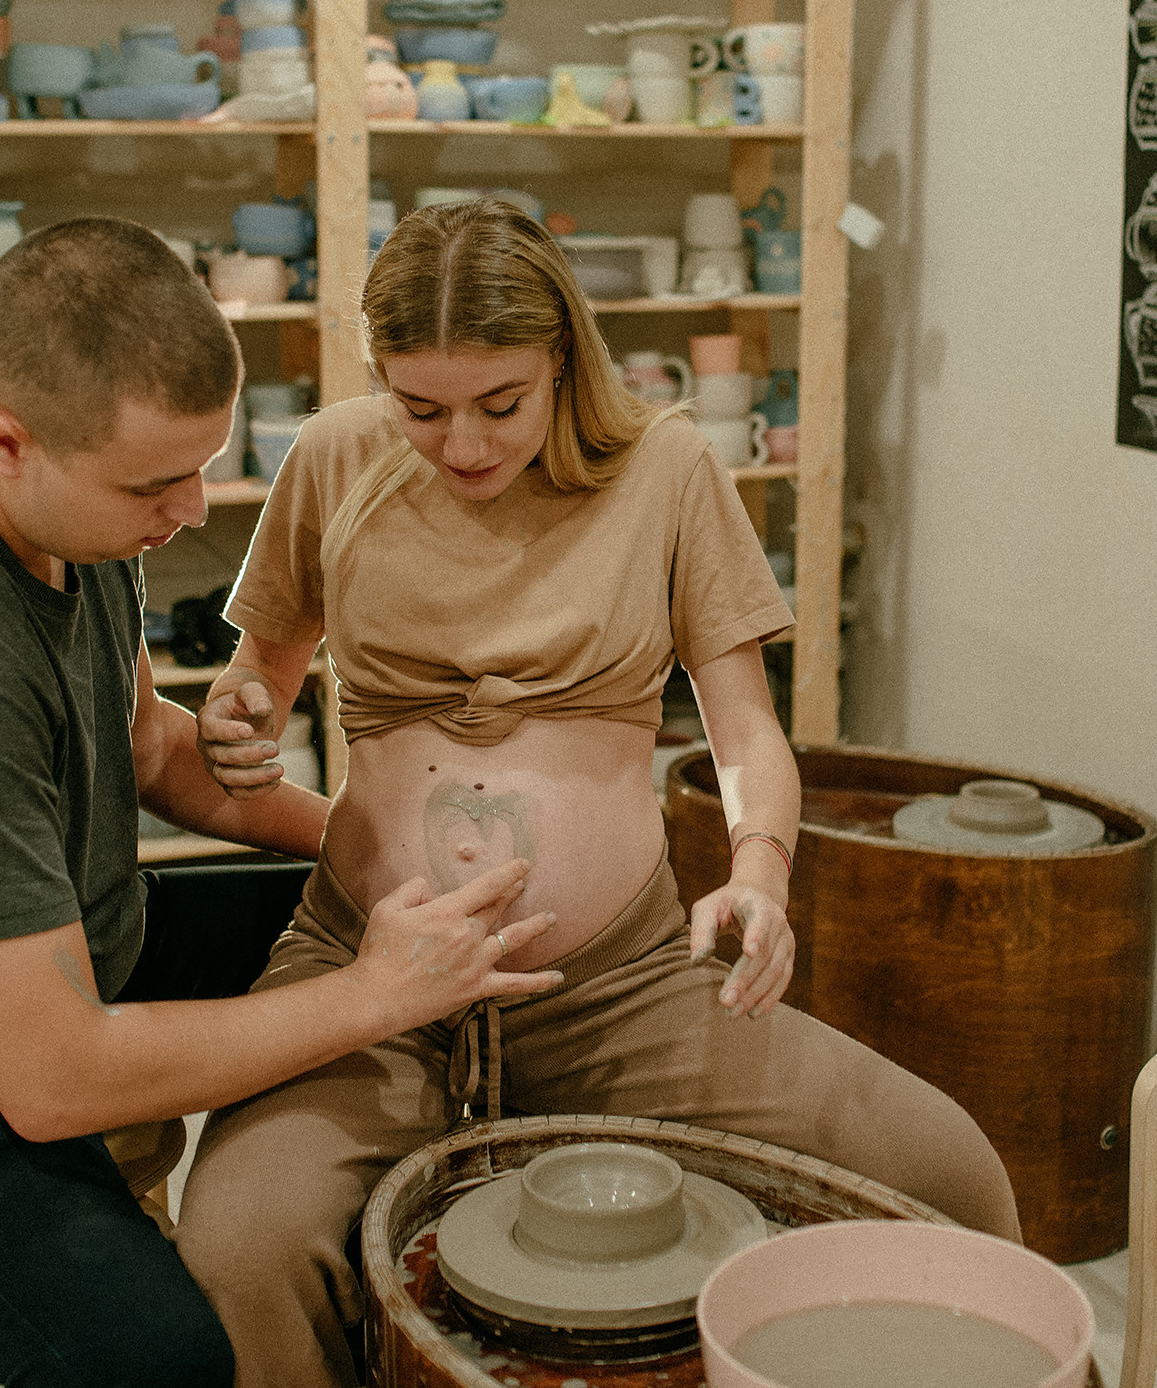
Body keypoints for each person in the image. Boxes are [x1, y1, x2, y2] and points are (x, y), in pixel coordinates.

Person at [0, 216, 561, 1388]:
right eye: (159, 482)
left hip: (63, 943)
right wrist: (371, 994)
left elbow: (149, 744)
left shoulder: (69, 498)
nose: (195, 508)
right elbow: (55, 1081)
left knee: (434, 941)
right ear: (9, 443)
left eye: (205, 463)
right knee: (163, 1360)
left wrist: (380, 851)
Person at [180, 198, 1020, 1388]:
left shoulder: (665, 466)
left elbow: (745, 729)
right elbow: (258, 675)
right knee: (238, 1245)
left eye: (500, 405)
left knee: (947, 1171)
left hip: (616, 983)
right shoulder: (331, 458)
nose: (461, 443)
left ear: (563, 360)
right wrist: (242, 714)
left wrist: (761, 874)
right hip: (370, 977)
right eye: (420, 408)